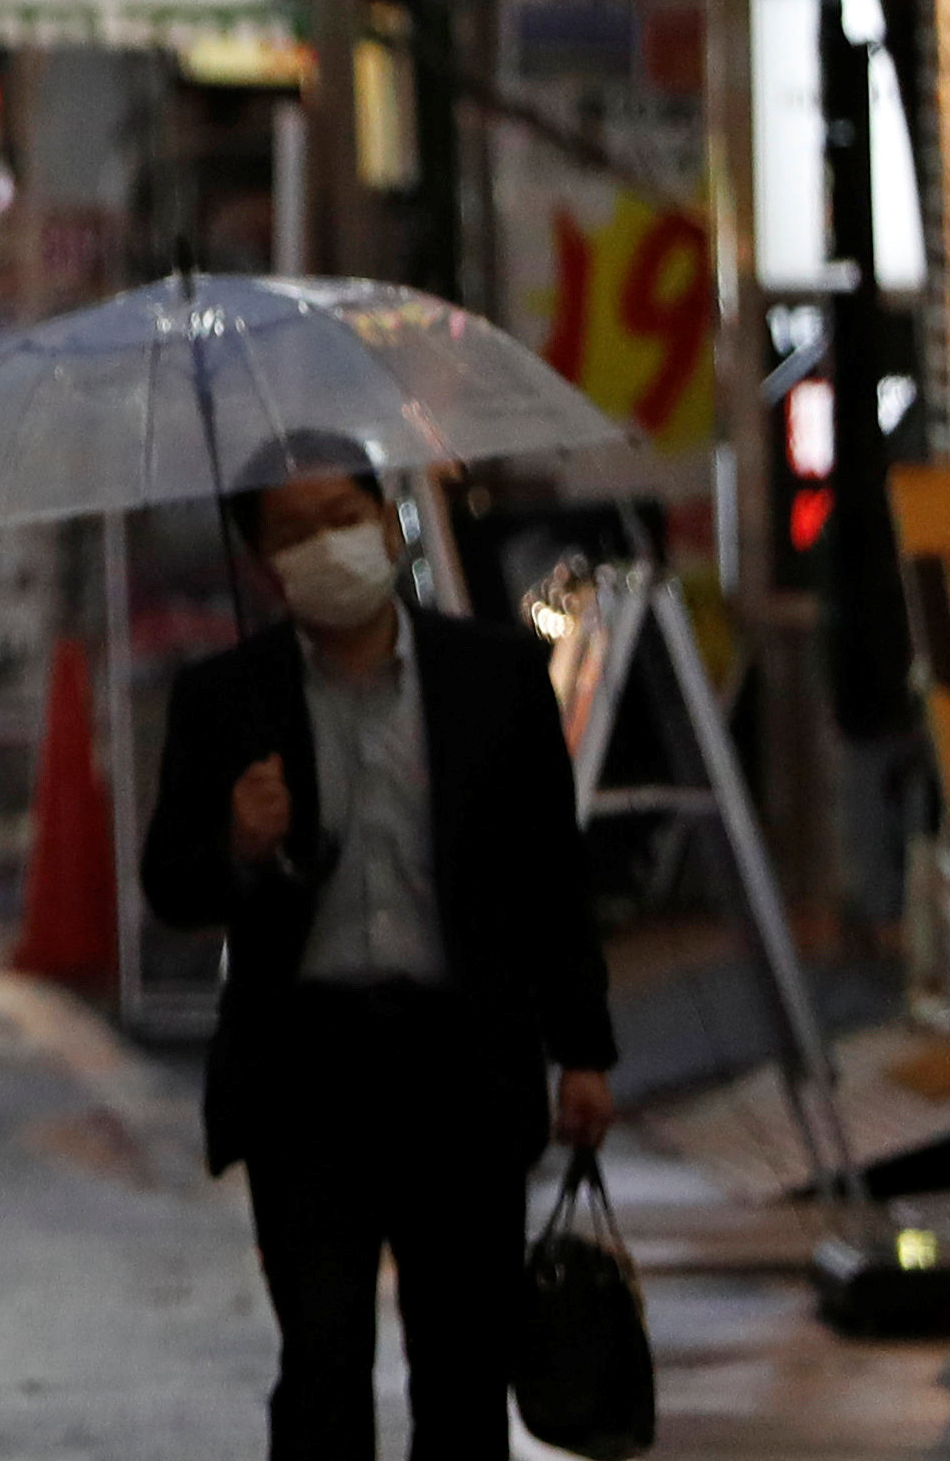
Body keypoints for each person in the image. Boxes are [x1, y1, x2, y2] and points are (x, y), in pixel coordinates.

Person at [140, 434, 619, 1461]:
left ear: (384, 515)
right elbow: (168, 885)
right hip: (305, 1072)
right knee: (319, 1360)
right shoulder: (227, 698)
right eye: (293, 530)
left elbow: (549, 874)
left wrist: (583, 1048)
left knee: (460, 1371)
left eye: (340, 514)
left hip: (461, 1066)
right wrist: (236, 841)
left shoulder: (491, 677)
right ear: (263, 561)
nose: (325, 543)